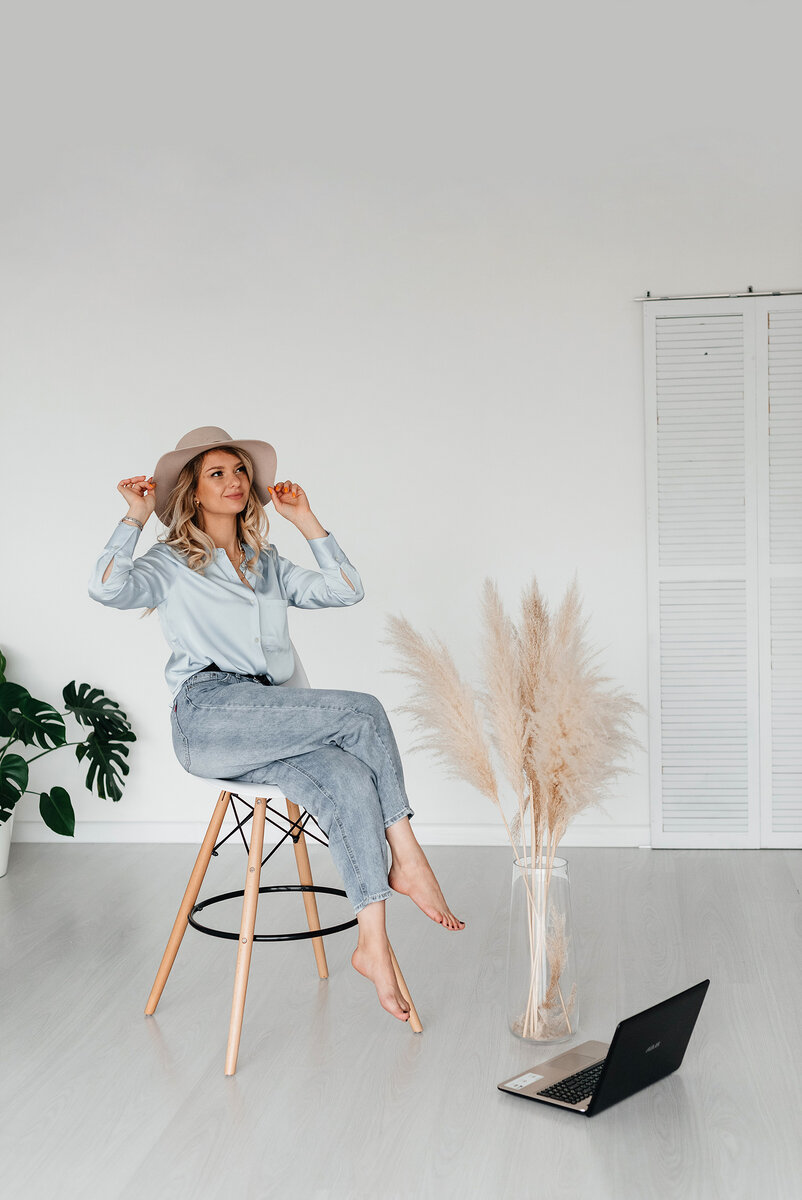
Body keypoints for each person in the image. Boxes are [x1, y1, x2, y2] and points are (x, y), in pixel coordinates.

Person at [88, 425, 464, 1023]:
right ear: (192, 490)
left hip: (269, 713)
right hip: (209, 715)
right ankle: (409, 858)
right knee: (362, 710)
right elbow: (106, 587)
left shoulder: (266, 564)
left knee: (347, 777)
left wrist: (305, 519)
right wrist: (134, 516)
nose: (234, 481)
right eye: (217, 473)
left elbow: (346, 590)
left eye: (240, 470)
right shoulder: (170, 561)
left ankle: (371, 942)